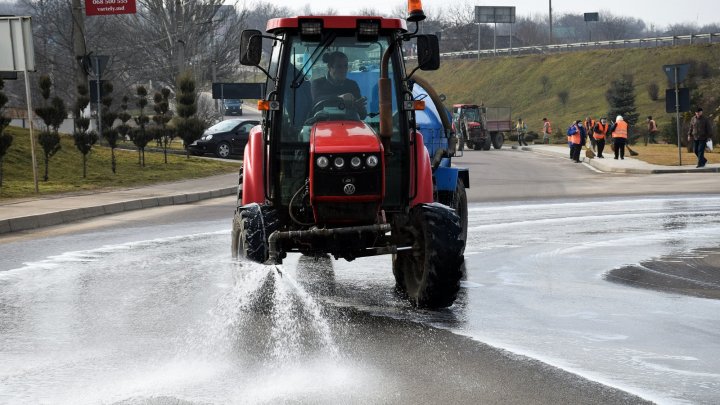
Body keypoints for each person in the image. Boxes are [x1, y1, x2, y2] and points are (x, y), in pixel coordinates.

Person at [311, 51, 367, 119]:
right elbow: (317, 100)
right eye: (339, 66)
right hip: (323, 125)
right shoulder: (318, 83)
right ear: (329, 67)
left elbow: (363, 116)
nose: (343, 70)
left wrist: (360, 108)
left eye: (346, 66)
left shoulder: (352, 85)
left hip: (349, 126)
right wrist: (339, 98)